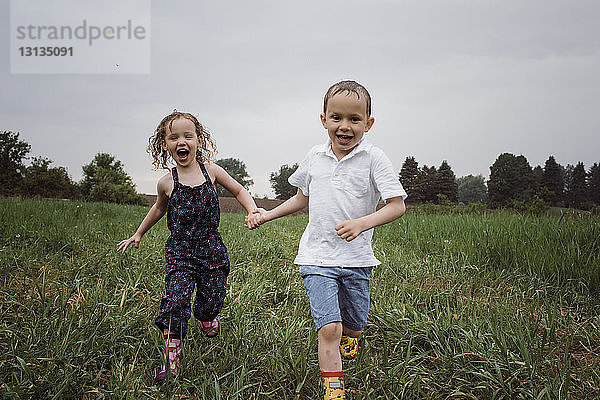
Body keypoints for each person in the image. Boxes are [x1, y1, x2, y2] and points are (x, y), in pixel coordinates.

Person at [246, 81, 407, 400]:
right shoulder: (314, 157)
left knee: (354, 325)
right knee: (329, 328)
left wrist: (363, 222)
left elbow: (397, 205)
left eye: (354, 119)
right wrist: (266, 214)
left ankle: (353, 335)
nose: (344, 126)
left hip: (357, 260)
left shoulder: (374, 158)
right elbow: (300, 199)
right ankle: (334, 389)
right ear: (324, 119)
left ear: (368, 123)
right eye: (336, 117)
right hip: (317, 258)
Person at [118, 110, 259, 383]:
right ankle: (171, 362)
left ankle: (207, 317)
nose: (181, 141)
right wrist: (138, 234)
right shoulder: (167, 182)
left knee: (212, 298)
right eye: (174, 137)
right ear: (166, 145)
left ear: (198, 140)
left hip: (211, 249)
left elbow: (240, 190)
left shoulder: (213, 172)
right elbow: (159, 209)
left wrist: (252, 210)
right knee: (176, 301)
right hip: (180, 251)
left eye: (188, 136)